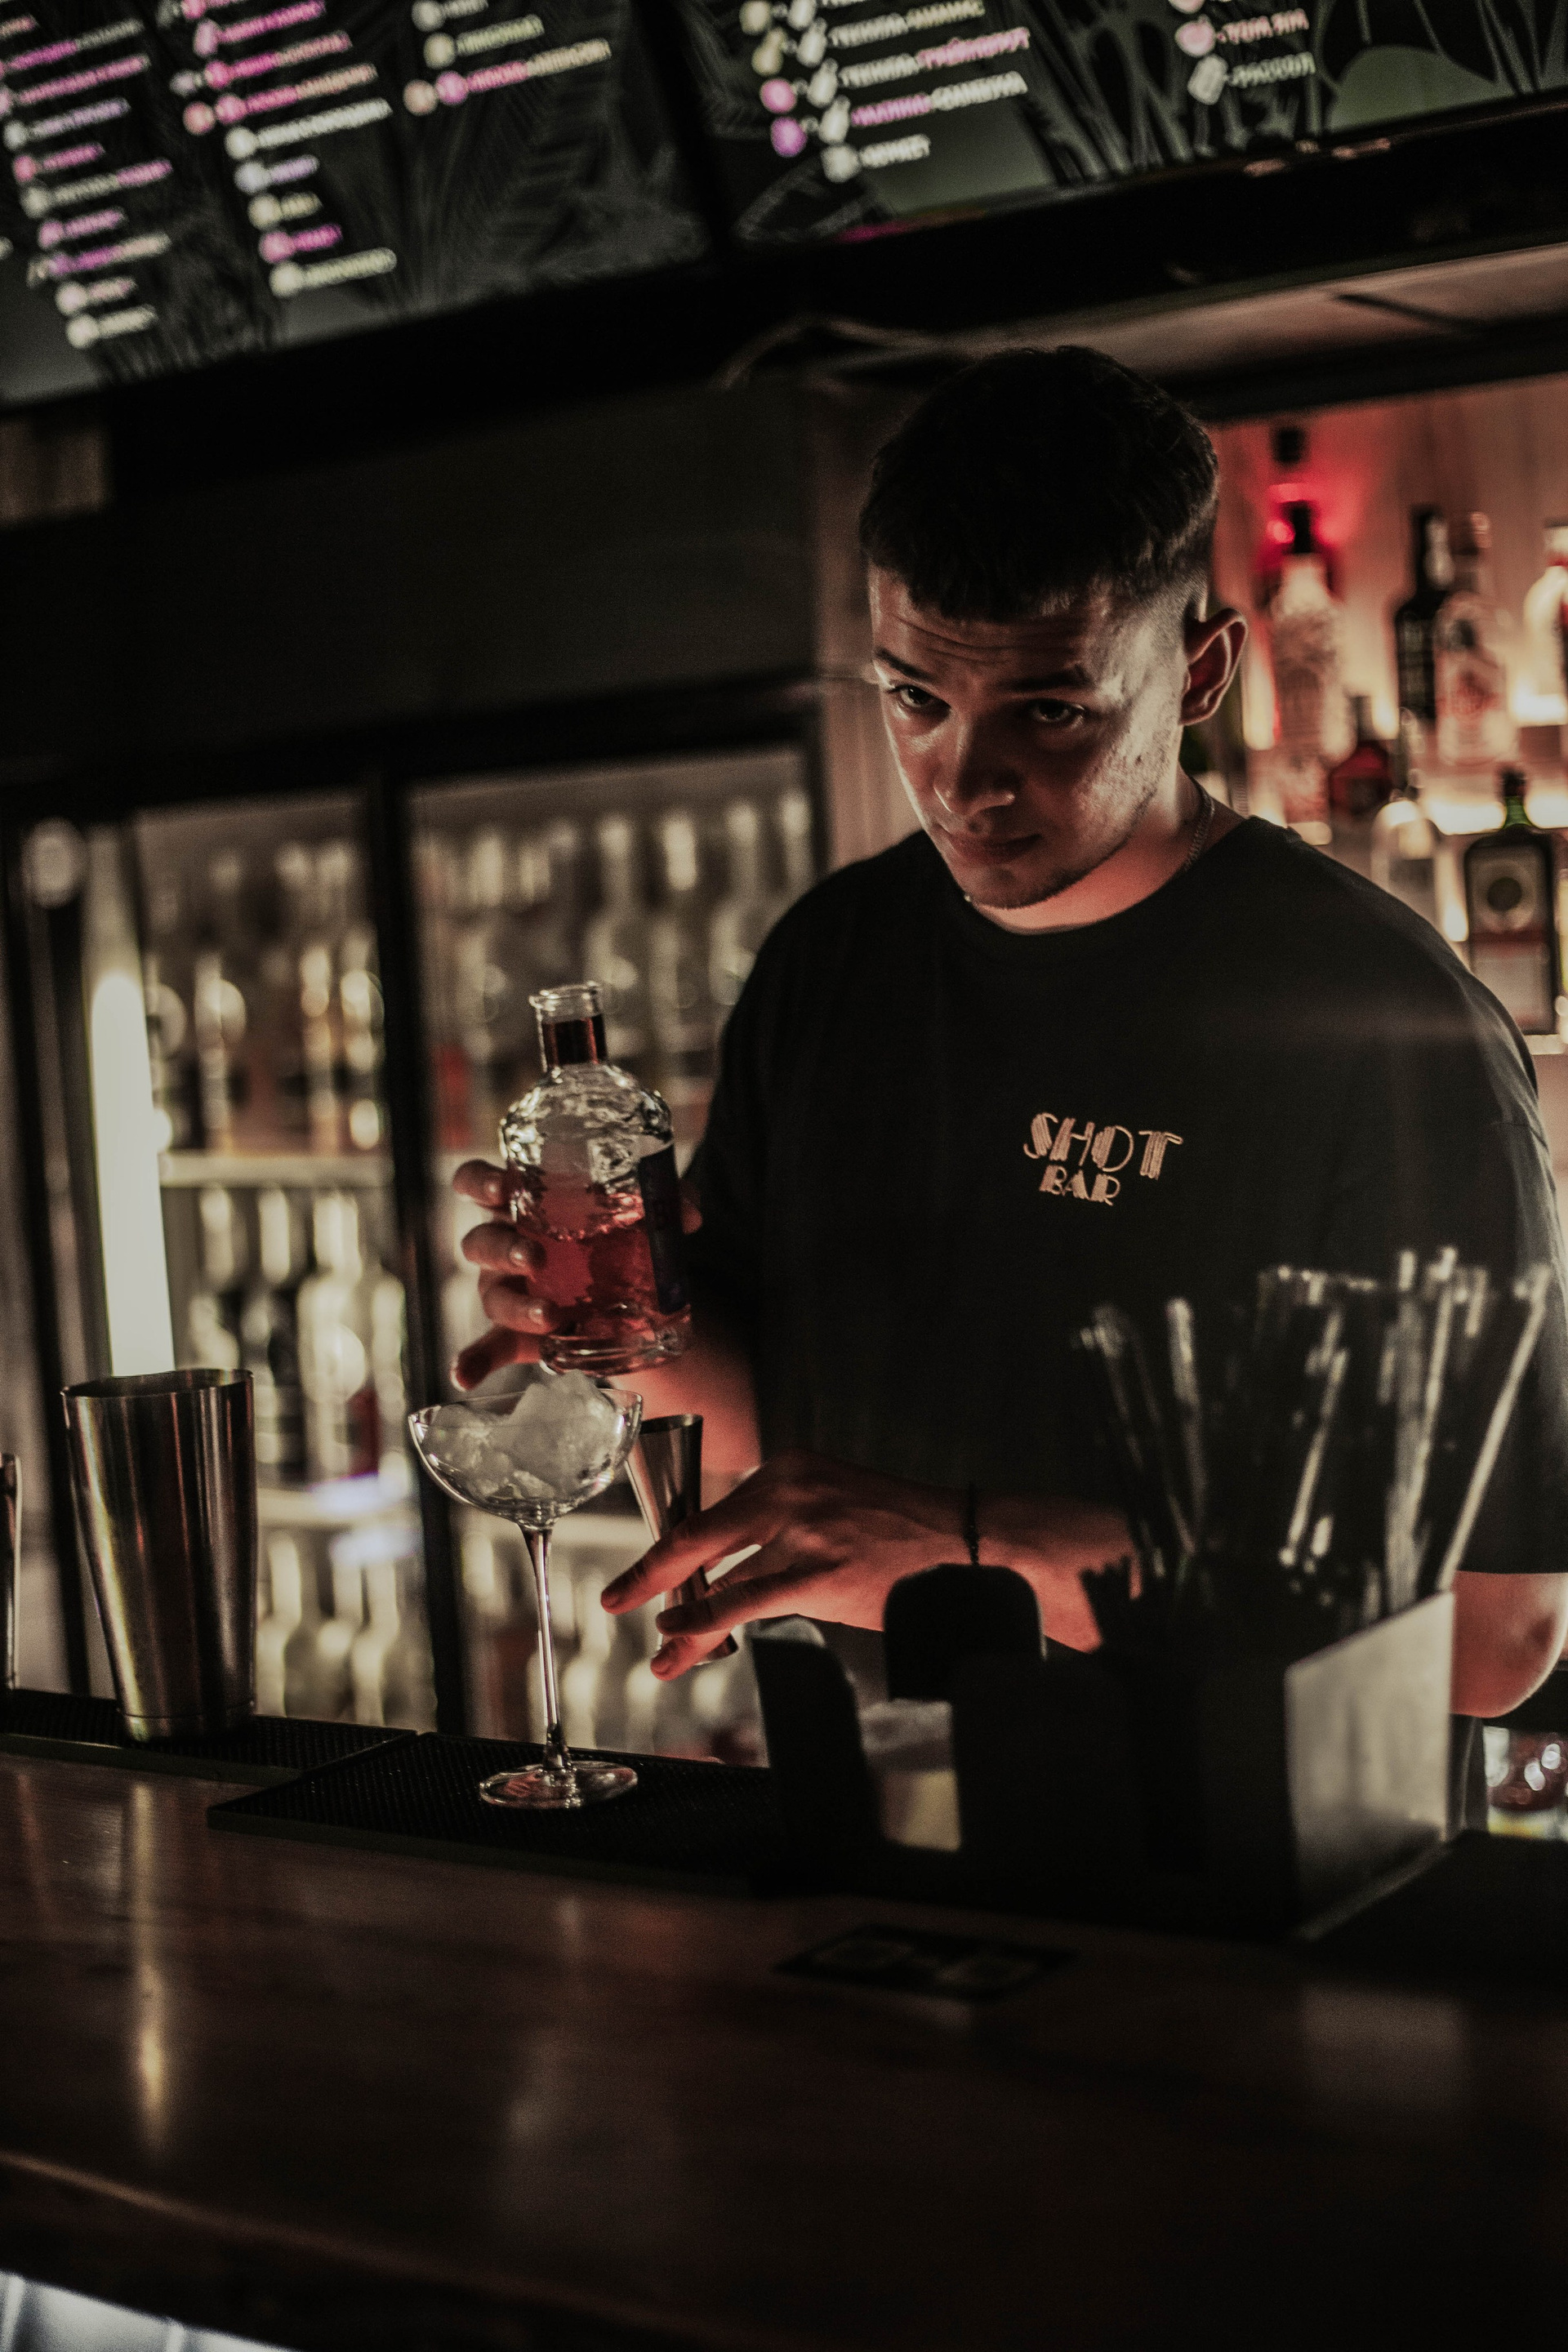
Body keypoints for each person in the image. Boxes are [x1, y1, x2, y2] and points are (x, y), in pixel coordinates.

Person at [452, 345, 1568, 1720]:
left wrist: (969, 1548)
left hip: (1242, 1840)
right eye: (915, 699)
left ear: (1203, 671)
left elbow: (1492, 1635)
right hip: (880, 1807)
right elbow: (756, 1448)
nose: (964, 782)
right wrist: (614, 1309)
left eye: (1049, 710)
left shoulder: (1382, 1024)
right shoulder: (830, 959)